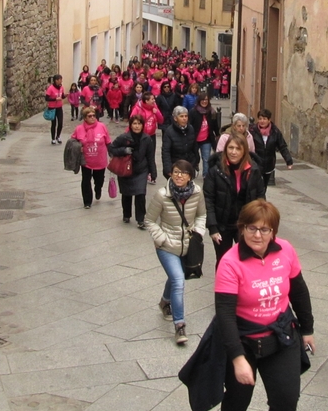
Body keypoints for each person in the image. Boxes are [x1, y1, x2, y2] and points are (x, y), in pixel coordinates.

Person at [214, 200, 315, 411]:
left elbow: (298, 291)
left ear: (273, 232)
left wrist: (307, 329)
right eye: (251, 228)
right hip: (244, 339)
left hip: (281, 336)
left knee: (286, 401)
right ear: (242, 228)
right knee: (236, 403)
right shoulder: (230, 262)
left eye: (264, 229)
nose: (257, 235)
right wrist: (237, 358)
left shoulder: (285, 250)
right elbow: (225, 313)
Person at [144, 160, 206, 344]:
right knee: (179, 281)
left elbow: (202, 214)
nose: (179, 176)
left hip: (188, 245)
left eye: (183, 173)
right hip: (167, 246)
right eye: (176, 172)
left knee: (175, 277)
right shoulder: (162, 195)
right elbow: (149, 220)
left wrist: (198, 232)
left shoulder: (197, 193)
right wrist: (161, 238)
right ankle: (180, 325)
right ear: (171, 174)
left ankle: (165, 301)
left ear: (190, 176)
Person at [205, 134, 265, 266]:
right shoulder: (215, 171)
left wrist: (260, 224)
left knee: (246, 260)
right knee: (223, 261)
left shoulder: (253, 171)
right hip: (222, 225)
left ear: (244, 151)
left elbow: (261, 197)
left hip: (245, 225)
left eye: (238, 149)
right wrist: (213, 227)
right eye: (230, 148)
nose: (233, 152)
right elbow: (208, 199)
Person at [108, 115, 156, 229]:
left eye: (139, 124)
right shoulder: (124, 137)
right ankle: (126, 214)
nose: (137, 126)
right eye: (134, 123)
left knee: (140, 194)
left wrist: (153, 172)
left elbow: (150, 156)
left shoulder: (147, 139)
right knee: (126, 194)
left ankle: (141, 219)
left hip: (141, 170)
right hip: (126, 169)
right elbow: (111, 148)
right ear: (130, 125)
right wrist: (123, 150)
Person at [70, 106, 111, 209]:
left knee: (99, 180)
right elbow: (72, 141)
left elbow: (108, 142)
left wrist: (112, 154)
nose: (93, 117)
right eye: (90, 116)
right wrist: (78, 147)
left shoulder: (102, 127)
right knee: (86, 180)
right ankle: (87, 201)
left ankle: (98, 189)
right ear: (85, 118)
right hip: (86, 159)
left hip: (100, 159)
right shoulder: (79, 129)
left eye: (94, 115)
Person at [248, 109, 293, 194]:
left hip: (268, 164)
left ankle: (260, 202)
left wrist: (289, 161)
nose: (262, 121)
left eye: (264, 119)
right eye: (260, 118)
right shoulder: (253, 131)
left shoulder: (275, 132)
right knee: (256, 186)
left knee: (264, 187)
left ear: (269, 120)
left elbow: (282, 146)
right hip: (255, 164)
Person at [132, 92, 164, 183]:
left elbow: (161, 120)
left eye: (154, 99)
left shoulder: (154, 107)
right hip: (140, 136)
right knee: (140, 155)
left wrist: (156, 112)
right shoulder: (138, 108)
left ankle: (151, 174)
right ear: (146, 101)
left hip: (151, 135)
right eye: (152, 99)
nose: (154, 101)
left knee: (151, 155)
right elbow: (132, 120)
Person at [161, 106, 198, 179]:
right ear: (175, 118)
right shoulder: (169, 132)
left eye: (186, 116)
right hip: (175, 165)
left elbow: (194, 147)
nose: (184, 119)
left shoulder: (191, 129)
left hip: (189, 164)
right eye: (181, 116)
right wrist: (168, 169)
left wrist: (196, 162)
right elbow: (166, 151)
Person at [189, 93, 220, 178]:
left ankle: (206, 175)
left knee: (206, 158)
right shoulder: (193, 112)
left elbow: (215, 125)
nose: (204, 102)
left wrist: (217, 135)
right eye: (203, 100)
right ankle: (193, 171)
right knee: (194, 158)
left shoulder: (212, 112)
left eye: (206, 100)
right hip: (195, 140)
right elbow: (189, 125)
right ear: (199, 101)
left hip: (207, 139)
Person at [45, 74, 65, 144]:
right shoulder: (50, 88)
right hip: (52, 108)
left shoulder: (61, 87)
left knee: (60, 123)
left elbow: (62, 96)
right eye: (60, 80)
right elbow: (47, 98)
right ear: (56, 80)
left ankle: (58, 136)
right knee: (53, 124)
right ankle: (53, 138)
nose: (61, 81)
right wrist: (55, 99)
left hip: (59, 107)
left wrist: (66, 95)